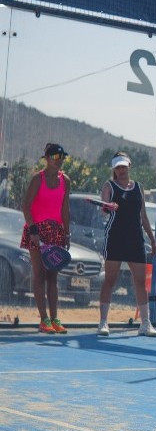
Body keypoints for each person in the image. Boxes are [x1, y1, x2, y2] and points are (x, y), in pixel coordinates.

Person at [97, 151, 156, 337]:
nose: (121, 170)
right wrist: (108, 207)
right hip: (115, 238)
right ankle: (103, 322)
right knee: (110, 280)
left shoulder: (138, 187)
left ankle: (145, 323)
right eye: (118, 167)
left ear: (129, 166)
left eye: (123, 166)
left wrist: (152, 239)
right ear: (114, 169)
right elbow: (103, 210)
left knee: (140, 282)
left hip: (135, 239)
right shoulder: (109, 186)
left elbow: (143, 215)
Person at [21, 143, 71, 334]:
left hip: (56, 231)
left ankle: (55, 319)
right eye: (56, 157)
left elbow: (65, 208)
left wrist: (66, 233)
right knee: (39, 275)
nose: (60, 160)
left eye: (62, 157)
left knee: (53, 277)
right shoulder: (37, 179)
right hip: (36, 230)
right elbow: (25, 206)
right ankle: (44, 320)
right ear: (48, 158)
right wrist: (33, 231)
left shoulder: (65, 180)